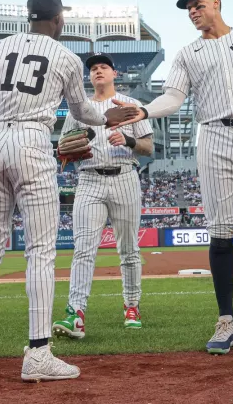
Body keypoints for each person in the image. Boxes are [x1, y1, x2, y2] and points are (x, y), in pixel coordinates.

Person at [0, 0, 136, 382]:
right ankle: (38, 353)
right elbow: (82, 111)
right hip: (32, 142)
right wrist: (108, 117)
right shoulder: (66, 57)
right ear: (58, 20)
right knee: (41, 252)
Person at [112, 0, 233, 354]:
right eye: (188, 9)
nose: (193, 12)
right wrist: (145, 110)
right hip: (213, 135)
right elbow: (173, 96)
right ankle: (226, 320)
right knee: (220, 230)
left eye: (198, 5)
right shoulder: (188, 53)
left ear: (216, 3)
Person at [52, 52, 154, 339]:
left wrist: (129, 139)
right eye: (93, 68)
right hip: (88, 179)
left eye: (103, 67)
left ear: (113, 74)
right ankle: (76, 313)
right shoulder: (78, 110)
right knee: (84, 249)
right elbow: (63, 151)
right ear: (90, 76)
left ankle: (132, 306)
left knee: (129, 250)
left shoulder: (130, 105)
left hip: (124, 175)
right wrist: (87, 137)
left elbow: (148, 148)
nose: (98, 71)